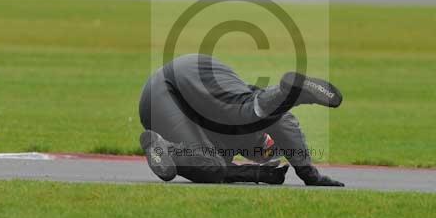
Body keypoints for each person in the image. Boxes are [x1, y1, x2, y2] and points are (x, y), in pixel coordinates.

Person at [138, 54, 344, 186]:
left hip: (192, 75)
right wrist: (308, 173)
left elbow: (221, 170)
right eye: (272, 148)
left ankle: (162, 148)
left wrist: (259, 174)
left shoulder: (229, 147)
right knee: (242, 117)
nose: (268, 154)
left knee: (210, 163)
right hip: (171, 87)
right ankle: (165, 148)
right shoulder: (259, 125)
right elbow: (284, 123)